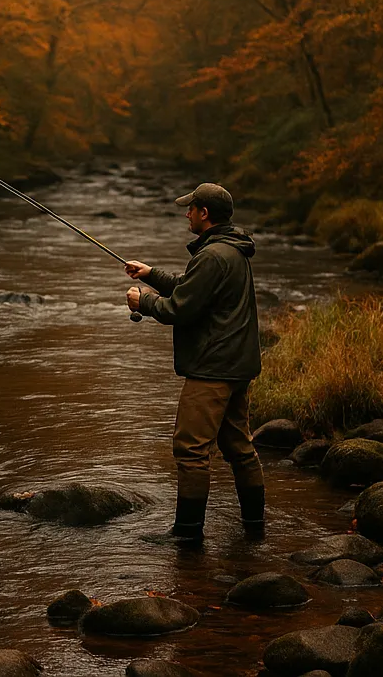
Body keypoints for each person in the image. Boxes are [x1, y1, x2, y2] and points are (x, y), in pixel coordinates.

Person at [124, 182, 265, 543]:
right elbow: (192, 288)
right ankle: (255, 527)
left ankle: (187, 534)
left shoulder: (213, 255)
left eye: (191, 208)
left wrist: (144, 301)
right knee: (238, 447)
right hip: (235, 365)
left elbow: (180, 309)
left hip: (212, 368)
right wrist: (151, 274)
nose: (186, 213)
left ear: (205, 214)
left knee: (190, 449)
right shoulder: (229, 250)